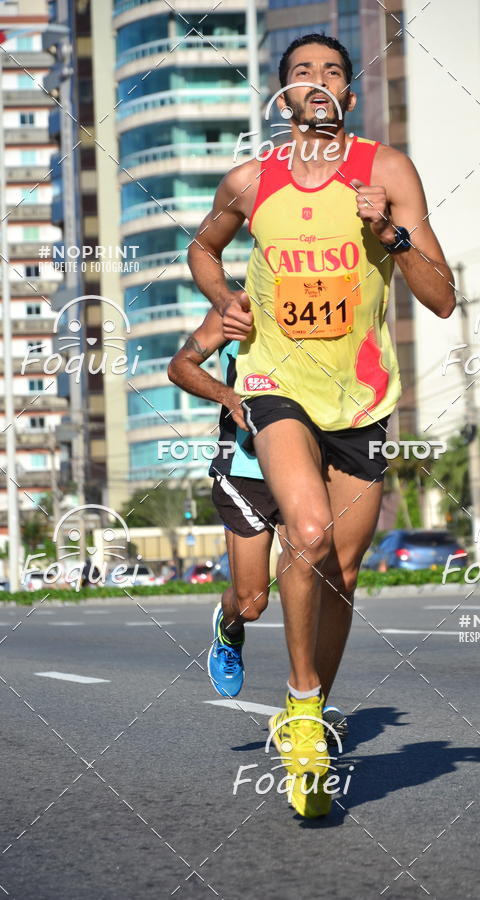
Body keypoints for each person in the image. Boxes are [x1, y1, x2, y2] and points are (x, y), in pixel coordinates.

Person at [187, 33, 455, 815]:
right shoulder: (249, 181)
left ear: (349, 92)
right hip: (274, 385)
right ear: (282, 96)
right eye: (302, 73)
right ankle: (303, 712)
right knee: (303, 533)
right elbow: (204, 247)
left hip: (362, 397)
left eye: (333, 72)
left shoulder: (387, 173)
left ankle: (315, 706)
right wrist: (224, 300)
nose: (318, 82)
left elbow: (441, 297)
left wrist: (391, 236)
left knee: (338, 569)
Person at [168, 310, 350, 755]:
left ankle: (307, 702)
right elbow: (179, 366)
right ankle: (229, 628)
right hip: (245, 471)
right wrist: (230, 398)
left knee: (316, 574)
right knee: (252, 603)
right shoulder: (236, 308)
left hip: (308, 468)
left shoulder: (329, 302)